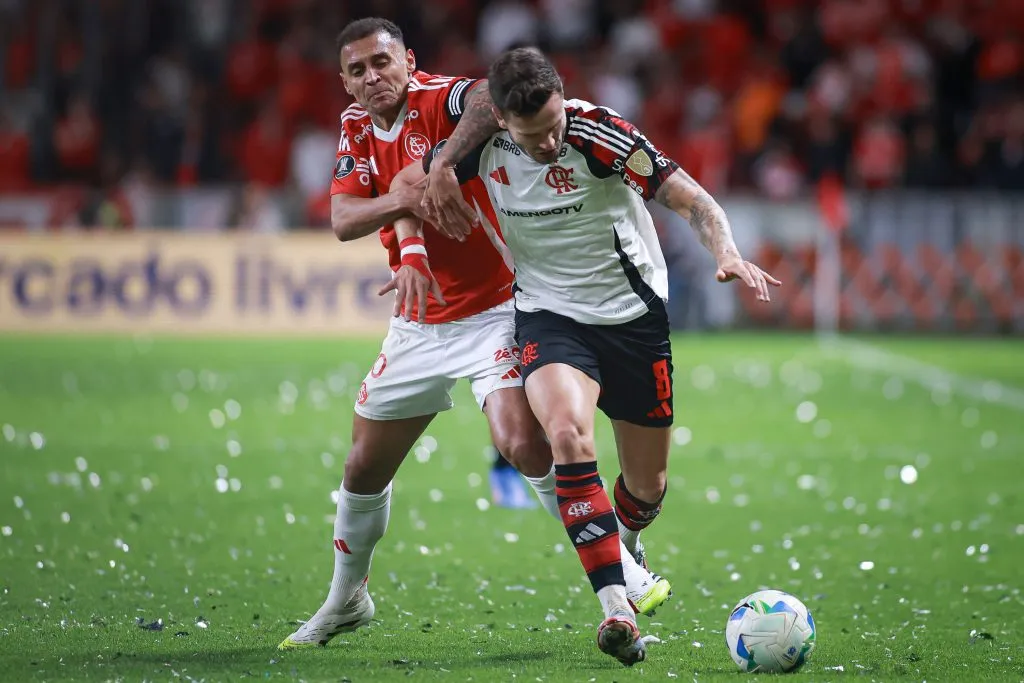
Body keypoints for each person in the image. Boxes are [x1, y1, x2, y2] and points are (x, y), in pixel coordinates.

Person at [279, 20, 670, 650]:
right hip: (420, 318)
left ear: (408, 59)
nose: (373, 77)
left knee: (523, 442)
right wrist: (407, 207)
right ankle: (347, 598)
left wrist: (441, 162)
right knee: (362, 467)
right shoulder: (356, 127)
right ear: (344, 81)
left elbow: (492, 99)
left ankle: (620, 581)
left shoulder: (441, 97)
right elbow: (345, 218)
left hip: (498, 309)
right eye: (357, 71)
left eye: (383, 62)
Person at [394, 46, 781, 666]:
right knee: (568, 436)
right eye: (532, 134)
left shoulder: (599, 132)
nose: (549, 143)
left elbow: (694, 201)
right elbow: (404, 188)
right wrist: (418, 228)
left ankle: (627, 542)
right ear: (500, 119)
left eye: (552, 126)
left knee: (647, 490)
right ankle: (616, 608)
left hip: (633, 321)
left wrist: (725, 253)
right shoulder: (475, 148)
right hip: (549, 316)